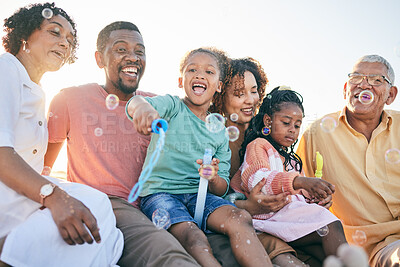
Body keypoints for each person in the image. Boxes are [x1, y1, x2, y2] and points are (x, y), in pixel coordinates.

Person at [44, 21, 201, 266]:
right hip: (108, 205)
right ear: (99, 59)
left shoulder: (158, 104)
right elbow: (43, 167)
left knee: (224, 249)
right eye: (121, 49)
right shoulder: (68, 99)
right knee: (171, 259)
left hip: (162, 203)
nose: (133, 57)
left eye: (140, 52)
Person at [0, 3, 123, 267]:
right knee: (92, 207)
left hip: (21, 197)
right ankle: (11, 255)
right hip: (6, 201)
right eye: (55, 32)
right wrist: (55, 197)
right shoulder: (6, 68)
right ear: (25, 36)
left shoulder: (36, 89)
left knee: (101, 212)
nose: (65, 44)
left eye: (70, 40)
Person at [126, 47, 272, 267]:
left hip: (200, 197)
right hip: (161, 194)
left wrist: (213, 177)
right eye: (192, 69)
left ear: (219, 86)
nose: (200, 75)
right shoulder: (173, 106)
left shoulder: (220, 132)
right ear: (180, 80)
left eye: (209, 72)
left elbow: (222, 189)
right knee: (193, 236)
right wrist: (143, 111)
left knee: (241, 219)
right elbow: (136, 103)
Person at [211, 57, 322, 266]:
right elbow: (205, 198)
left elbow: (285, 181)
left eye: (254, 91)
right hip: (242, 228)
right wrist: (248, 206)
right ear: (219, 95)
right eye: (239, 93)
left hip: (281, 222)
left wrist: (310, 196)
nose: (250, 100)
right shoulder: (214, 138)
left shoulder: (271, 139)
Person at [297, 54, 400, 267]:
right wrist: (312, 201)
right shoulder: (317, 133)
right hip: (364, 249)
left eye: (376, 80)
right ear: (346, 88)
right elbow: (297, 192)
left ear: (390, 95)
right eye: (356, 77)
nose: (364, 85)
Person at [232, 86, 356, 262]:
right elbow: (257, 180)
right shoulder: (259, 146)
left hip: (288, 220)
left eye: (297, 125)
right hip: (267, 218)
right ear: (268, 121)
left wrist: (315, 199)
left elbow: (299, 196)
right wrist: (300, 182)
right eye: (286, 122)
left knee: (322, 253)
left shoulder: (292, 161)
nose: (292, 129)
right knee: (331, 226)